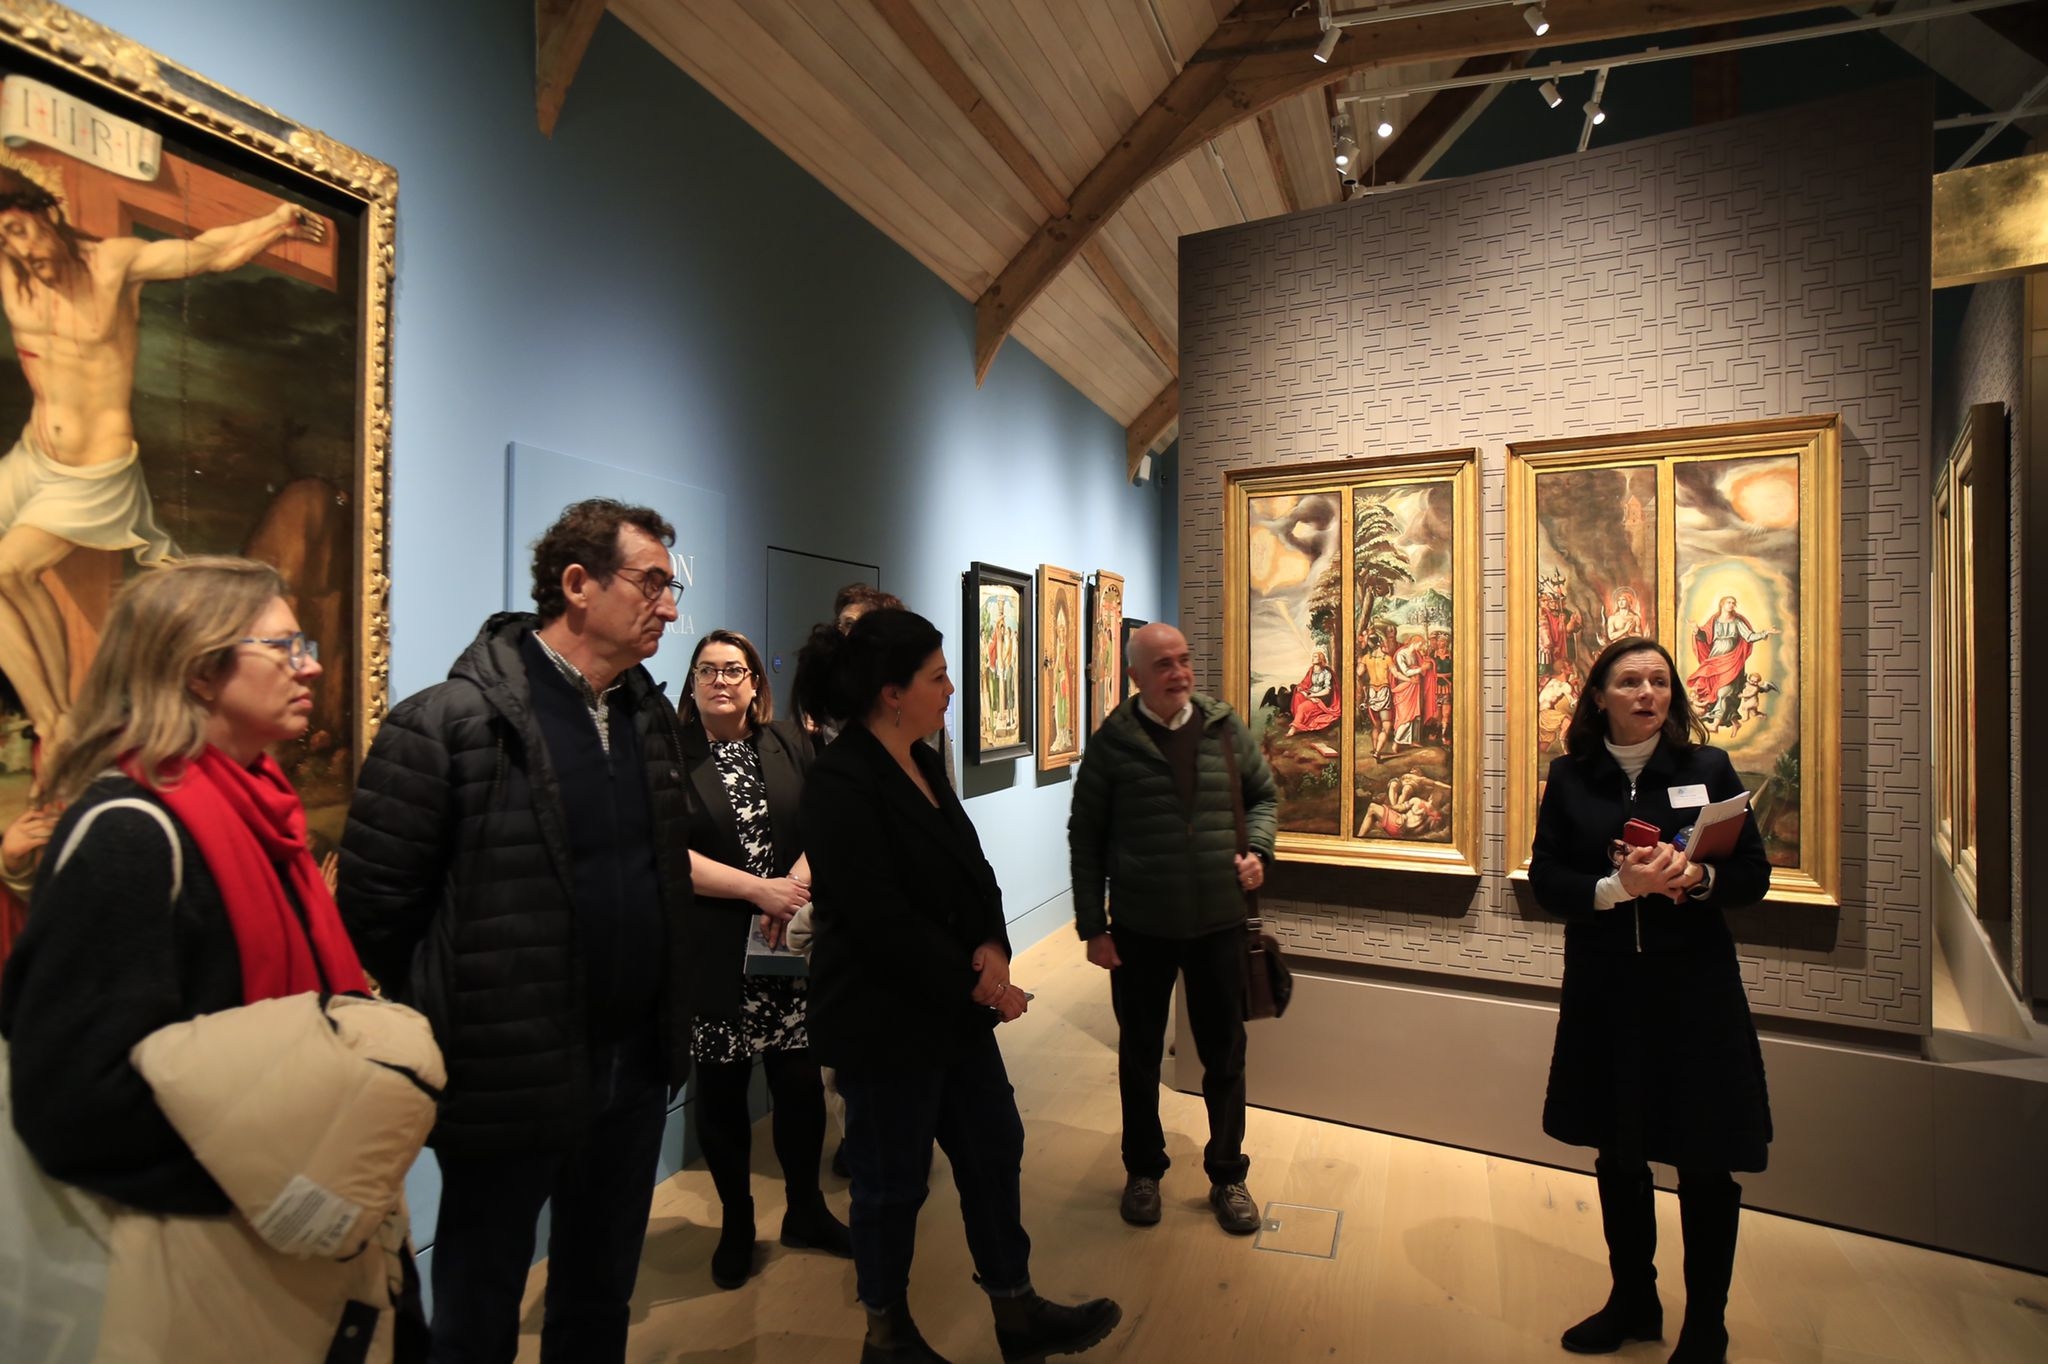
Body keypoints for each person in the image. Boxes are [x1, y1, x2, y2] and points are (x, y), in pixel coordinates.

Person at [0, 556, 420, 1354]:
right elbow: (71, 1106)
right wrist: (281, 1190)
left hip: (301, 1231)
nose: (311, 666)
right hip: (215, 1257)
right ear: (198, 671)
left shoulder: (262, 810)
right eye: (284, 647)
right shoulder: (130, 836)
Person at [337, 498, 696, 1364]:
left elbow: (657, 873)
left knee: (599, 1295)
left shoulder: (646, 718)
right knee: (480, 1303)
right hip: (506, 1071)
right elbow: (376, 910)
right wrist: (466, 1011)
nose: (669, 607)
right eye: (652, 583)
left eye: (671, 588)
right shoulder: (449, 722)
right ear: (577, 585)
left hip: (633, 1063)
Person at [794, 608, 1120, 1364]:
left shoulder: (923, 759)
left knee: (993, 1149)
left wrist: (994, 945)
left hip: (950, 1015)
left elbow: (972, 870)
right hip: (886, 1021)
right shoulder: (839, 783)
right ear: (892, 693)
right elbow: (879, 919)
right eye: (938, 677)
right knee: (891, 1185)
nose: (951, 690)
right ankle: (887, 1335)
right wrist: (981, 986)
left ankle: (1016, 1308)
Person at [0, 169, 325, 742]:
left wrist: (278, 222)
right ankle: (53, 717)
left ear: (47, 215)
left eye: (19, 231)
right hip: (33, 455)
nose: (19, 251)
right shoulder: (14, 273)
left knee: (9, 570)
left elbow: (209, 253)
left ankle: (55, 722)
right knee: (11, 577)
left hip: (91, 471)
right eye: (4, 241)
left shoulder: (113, 264)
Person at [1529, 636, 1773, 1364]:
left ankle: (1706, 1327)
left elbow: (1752, 876)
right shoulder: (1570, 776)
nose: (1648, 695)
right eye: (1630, 682)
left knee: (1704, 1159)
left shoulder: (1708, 769)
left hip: (1695, 992)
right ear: (1598, 696)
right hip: (1607, 991)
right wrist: (1616, 888)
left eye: (1660, 682)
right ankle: (1634, 1301)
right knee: (1619, 1153)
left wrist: (1696, 880)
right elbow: (1547, 881)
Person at [1068, 622, 1276, 1236]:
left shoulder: (1223, 728)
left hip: (1219, 923)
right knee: (1139, 1055)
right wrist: (1093, 925)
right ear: (1135, 675)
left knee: (1225, 1055)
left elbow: (1263, 796)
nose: (1180, 673)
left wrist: (1258, 849)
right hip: (1140, 927)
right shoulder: (1113, 743)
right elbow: (1086, 838)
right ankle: (1143, 1170)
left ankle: (1228, 1173)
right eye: (1164, 664)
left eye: (1184, 660)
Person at [675, 627, 850, 1288]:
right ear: (693, 684)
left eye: (733, 670)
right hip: (715, 949)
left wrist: (792, 889)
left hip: (787, 945)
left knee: (800, 1086)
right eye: (707, 670)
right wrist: (758, 892)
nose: (720, 680)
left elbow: (827, 821)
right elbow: (665, 852)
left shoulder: (787, 743)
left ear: (754, 684)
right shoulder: (671, 755)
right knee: (721, 1092)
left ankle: (806, 1210)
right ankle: (738, 1223)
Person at [1688, 595, 1776, 730]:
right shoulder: (1714, 621)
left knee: (1723, 692)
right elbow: (1705, 638)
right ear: (1722, 604)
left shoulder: (1737, 622)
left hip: (1732, 661)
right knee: (1713, 689)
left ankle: (1715, 724)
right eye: (1729, 602)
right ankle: (1723, 719)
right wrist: (1696, 630)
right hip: (1715, 659)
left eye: (1734, 603)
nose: (1731, 605)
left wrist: (1764, 633)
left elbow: (1749, 636)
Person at [1286, 647, 1340, 734]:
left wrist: (1313, 696)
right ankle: (1302, 722)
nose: (1313, 658)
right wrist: (1306, 694)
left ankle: (1294, 728)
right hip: (1311, 695)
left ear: (1321, 658)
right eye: (1313, 656)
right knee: (1298, 696)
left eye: (1315, 656)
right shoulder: (1311, 670)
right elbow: (1304, 684)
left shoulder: (1326, 673)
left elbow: (1327, 691)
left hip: (1321, 699)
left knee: (1302, 707)